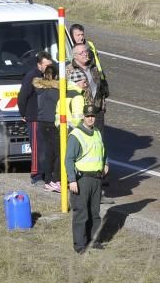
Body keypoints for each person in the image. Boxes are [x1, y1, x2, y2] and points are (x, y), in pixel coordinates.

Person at [67, 104, 108, 253]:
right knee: (81, 213)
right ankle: (79, 245)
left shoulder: (97, 132)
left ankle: (94, 239)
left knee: (95, 212)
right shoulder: (76, 135)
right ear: (83, 117)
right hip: (82, 180)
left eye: (93, 116)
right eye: (88, 116)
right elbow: (69, 159)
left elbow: (103, 150)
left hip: (96, 178)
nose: (91, 119)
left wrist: (106, 163)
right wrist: (72, 180)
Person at [18, 50, 52, 186]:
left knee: (47, 147)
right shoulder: (32, 76)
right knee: (37, 147)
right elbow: (22, 97)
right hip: (34, 117)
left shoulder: (48, 76)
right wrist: (24, 114)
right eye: (46, 65)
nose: (48, 67)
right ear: (39, 64)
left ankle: (46, 173)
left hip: (46, 117)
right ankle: (36, 175)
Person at [33, 62, 61, 192]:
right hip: (52, 123)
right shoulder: (56, 90)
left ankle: (48, 179)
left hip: (41, 122)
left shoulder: (39, 88)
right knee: (57, 152)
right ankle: (54, 180)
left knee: (48, 152)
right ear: (56, 76)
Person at [56, 67, 87, 132]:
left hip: (62, 132)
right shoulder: (78, 97)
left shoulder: (62, 95)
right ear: (76, 82)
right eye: (84, 82)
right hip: (75, 132)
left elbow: (58, 117)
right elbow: (78, 119)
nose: (85, 85)